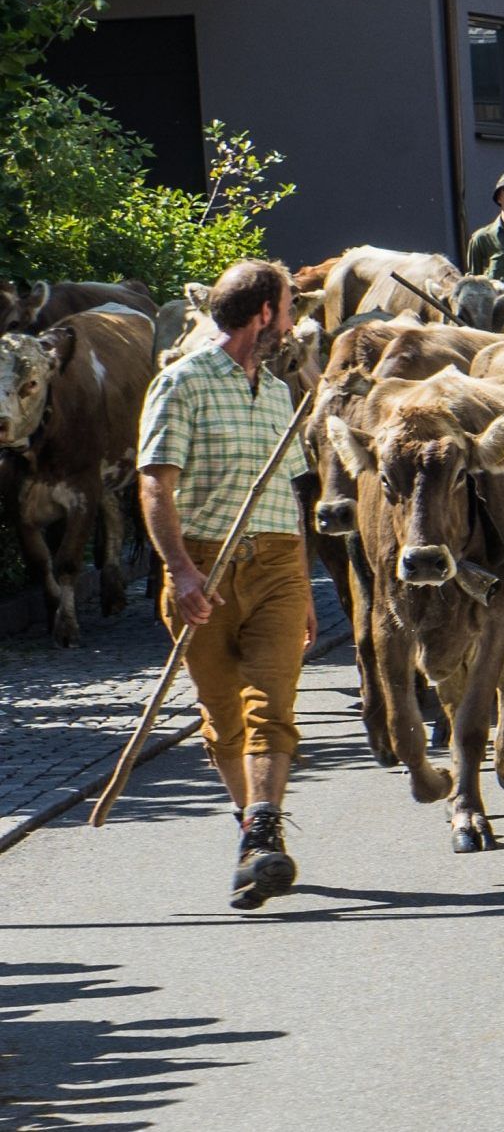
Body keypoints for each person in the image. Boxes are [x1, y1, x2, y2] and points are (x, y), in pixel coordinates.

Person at [137, 260, 317, 911]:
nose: (293, 319)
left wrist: (300, 579)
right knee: (222, 720)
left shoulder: (276, 393)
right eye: (289, 306)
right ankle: (252, 833)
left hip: (274, 568)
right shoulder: (179, 383)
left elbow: (293, 498)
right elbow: (156, 484)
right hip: (203, 571)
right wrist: (181, 570)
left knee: (271, 705)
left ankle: (263, 830)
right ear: (264, 313)